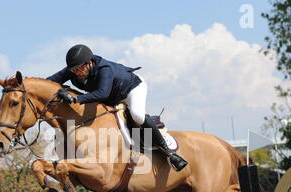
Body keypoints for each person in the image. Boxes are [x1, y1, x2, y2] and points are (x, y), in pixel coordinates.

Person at [47, 44, 188, 172]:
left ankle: (169, 153)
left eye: (80, 68)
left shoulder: (104, 69)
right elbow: (48, 82)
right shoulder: (74, 69)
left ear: (90, 62)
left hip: (131, 89)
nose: (78, 72)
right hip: (111, 96)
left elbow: (102, 93)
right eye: (74, 70)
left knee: (137, 115)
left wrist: (75, 98)